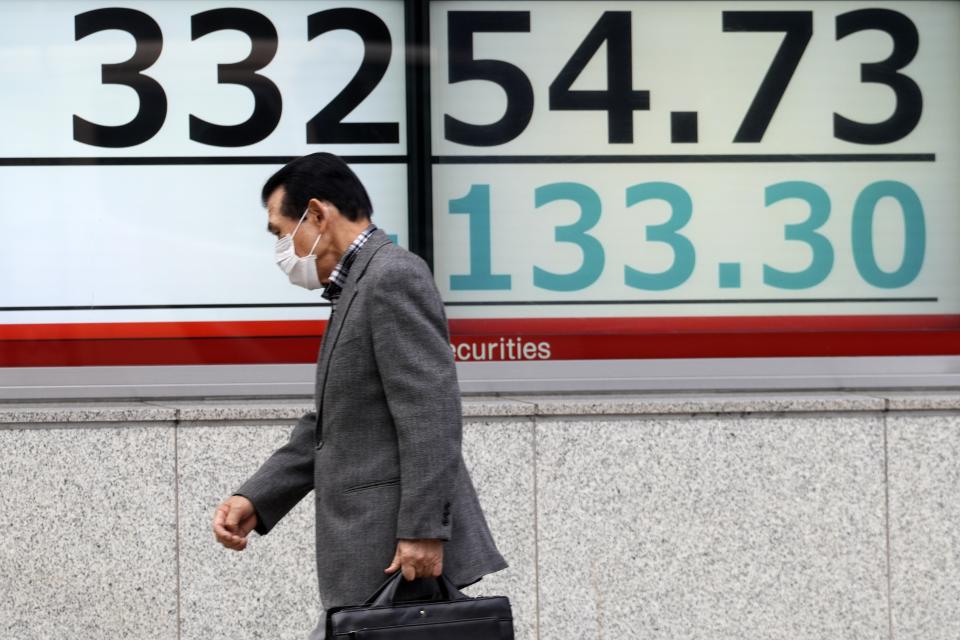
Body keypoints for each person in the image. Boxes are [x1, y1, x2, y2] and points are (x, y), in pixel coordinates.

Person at [211, 152, 507, 639]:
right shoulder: (356, 287)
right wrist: (257, 498)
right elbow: (331, 425)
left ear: (317, 215)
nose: (282, 248)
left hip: (397, 553)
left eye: (281, 232)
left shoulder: (392, 277)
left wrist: (424, 530)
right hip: (374, 553)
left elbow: (431, 413)